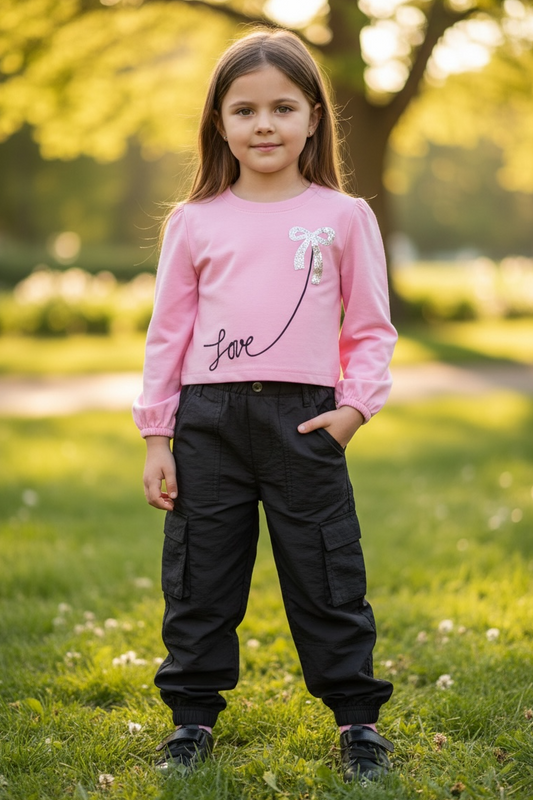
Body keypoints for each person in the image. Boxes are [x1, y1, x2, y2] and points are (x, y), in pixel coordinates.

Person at [133, 27, 397, 784]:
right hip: (206, 425)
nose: (264, 124)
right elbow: (168, 334)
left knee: (326, 572)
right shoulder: (194, 221)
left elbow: (371, 327)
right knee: (198, 575)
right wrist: (157, 437)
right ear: (219, 122)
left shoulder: (344, 216)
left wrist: (352, 410)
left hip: (304, 419)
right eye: (244, 110)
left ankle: (357, 722)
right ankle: (190, 720)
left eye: (283, 107)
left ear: (314, 116)